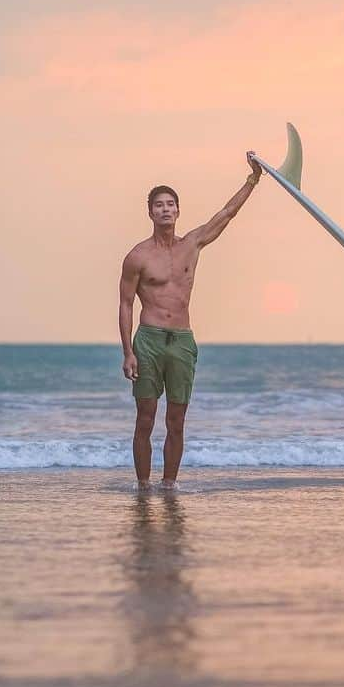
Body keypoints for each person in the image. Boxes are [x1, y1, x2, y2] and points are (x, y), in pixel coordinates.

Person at [119, 153, 263, 488]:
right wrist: (128, 351)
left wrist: (252, 179)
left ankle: (168, 485)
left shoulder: (192, 244)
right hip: (149, 340)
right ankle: (143, 486)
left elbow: (226, 214)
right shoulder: (137, 256)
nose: (165, 209)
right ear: (150, 212)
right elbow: (126, 304)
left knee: (177, 420)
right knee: (145, 419)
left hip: (182, 341)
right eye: (159, 205)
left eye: (170, 204)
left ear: (178, 210)